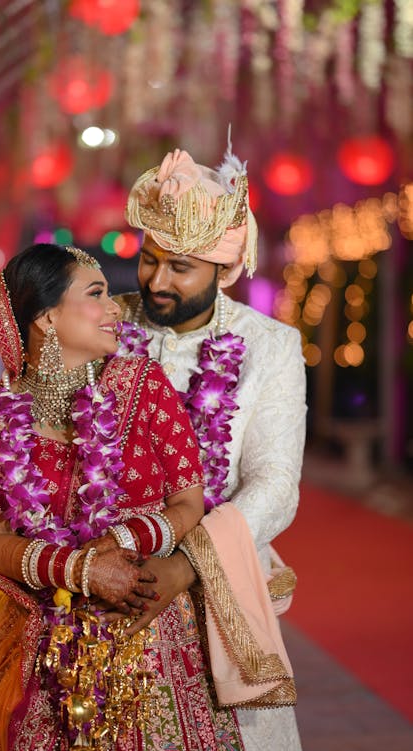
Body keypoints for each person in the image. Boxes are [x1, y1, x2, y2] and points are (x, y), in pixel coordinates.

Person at [0, 243, 215, 750]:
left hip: (149, 627)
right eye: (96, 294)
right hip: (40, 638)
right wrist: (82, 570)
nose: (117, 307)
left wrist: (122, 539)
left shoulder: (144, 386)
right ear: (47, 318)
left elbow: (189, 501)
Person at [116, 144, 307, 750]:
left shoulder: (270, 346)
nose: (157, 280)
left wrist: (187, 564)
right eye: (149, 260)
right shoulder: (101, 327)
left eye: (180, 267)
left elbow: (276, 485)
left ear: (224, 272)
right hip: (110, 579)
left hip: (218, 587)